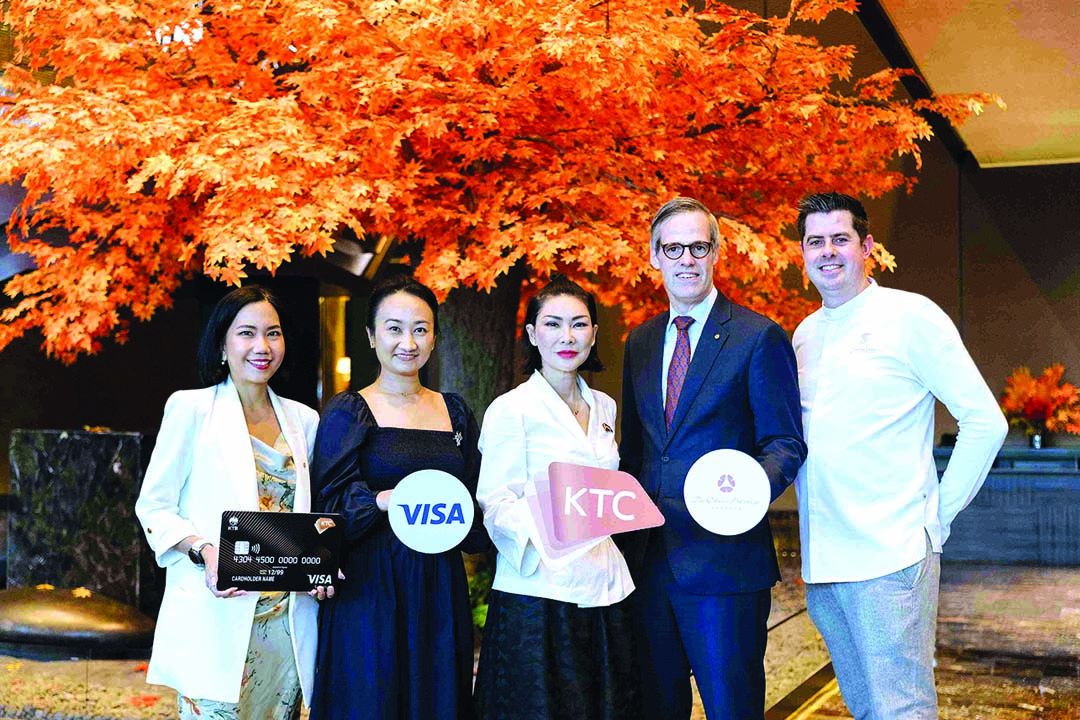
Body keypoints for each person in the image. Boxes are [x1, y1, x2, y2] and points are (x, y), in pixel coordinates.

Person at [792, 191, 1007, 719]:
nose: (827, 251)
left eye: (840, 238)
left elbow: (986, 421)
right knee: (865, 707)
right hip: (824, 561)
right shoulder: (805, 334)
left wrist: (937, 517)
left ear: (867, 246)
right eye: (815, 241)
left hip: (891, 556)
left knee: (901, 709)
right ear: (802, 253)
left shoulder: (910, 316)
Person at [620, 197, 806, 720]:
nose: (686, 259)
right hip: (648, 565)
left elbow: (785, 444)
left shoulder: (758, 336)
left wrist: (742, 495)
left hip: (725, 566)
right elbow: (634, 451)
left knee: (732, 709)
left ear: (716, 253)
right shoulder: (640, 341)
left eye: (698, 247)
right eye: (673, 248)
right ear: (654, 255)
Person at [135, 286, 320, 719]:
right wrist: (204, 550)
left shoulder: (305, 420)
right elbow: (154, 506)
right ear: (222, 344)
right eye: (247, 333)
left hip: (286, 621)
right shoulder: (191, 409)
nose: (262, 346)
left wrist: (323, 566)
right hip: (217, 610)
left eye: (273, 333)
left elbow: (312, 517)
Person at [309, 275, 488, 720]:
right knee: (370, 700)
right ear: (372, 337)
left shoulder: (456, 411)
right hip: (369, 585)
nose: (408, 342)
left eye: (420, 329)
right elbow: (327, 506)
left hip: (438, 583)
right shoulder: (348, 411)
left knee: (436, 697)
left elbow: (475, 497)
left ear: (434, 338)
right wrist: (383, 500)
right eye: (394, 328)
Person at [473, 274, 639, 720]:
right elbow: (496, 503)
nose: (567, 336)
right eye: (552, 324)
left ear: (594, 334)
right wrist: (556, 522)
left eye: (579, 324)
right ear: (532, 334)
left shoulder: (604, 406)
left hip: (605, 584)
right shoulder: (511, 409)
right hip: (539, 593)